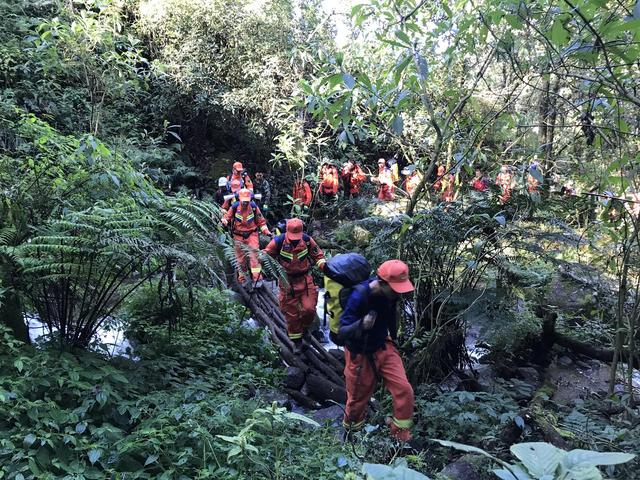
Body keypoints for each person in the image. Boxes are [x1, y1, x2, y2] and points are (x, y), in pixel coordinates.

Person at [338, 260, 415, 442]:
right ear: (382, 282)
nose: (398, 292)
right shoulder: (359, 296)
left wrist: (395, 339)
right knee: (357, 400)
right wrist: (361, 324)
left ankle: (400, 436)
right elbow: (342, 331)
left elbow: (391, 316)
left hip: (383, 346)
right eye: (395, 288)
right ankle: (351, 435)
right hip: (360, 353)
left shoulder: (392, 295)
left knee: (404, 389)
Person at [263, 218, 326, 353]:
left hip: (305, 279)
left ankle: (306, 330)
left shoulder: (307, 240)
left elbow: (318, 255)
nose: (294, 239)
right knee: (291, 314)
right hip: (287, 282)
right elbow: (266, 255)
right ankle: (297, 342)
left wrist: (325, 267)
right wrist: (258, 258)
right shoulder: (279, 241)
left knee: (309, 309)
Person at [222, 188, 271, 287]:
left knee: (254, 257)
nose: (245, 203)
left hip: (252, 235)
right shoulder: (235, 207)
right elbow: (227, 217)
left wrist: (267, 232)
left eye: (247, 201)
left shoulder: (253, 207)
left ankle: (257, 279)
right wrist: (224, 221)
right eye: (243, 201)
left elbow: (261, 222)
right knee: (240, 260)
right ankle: (242, 279)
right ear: (239, 199)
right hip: (238, 236)